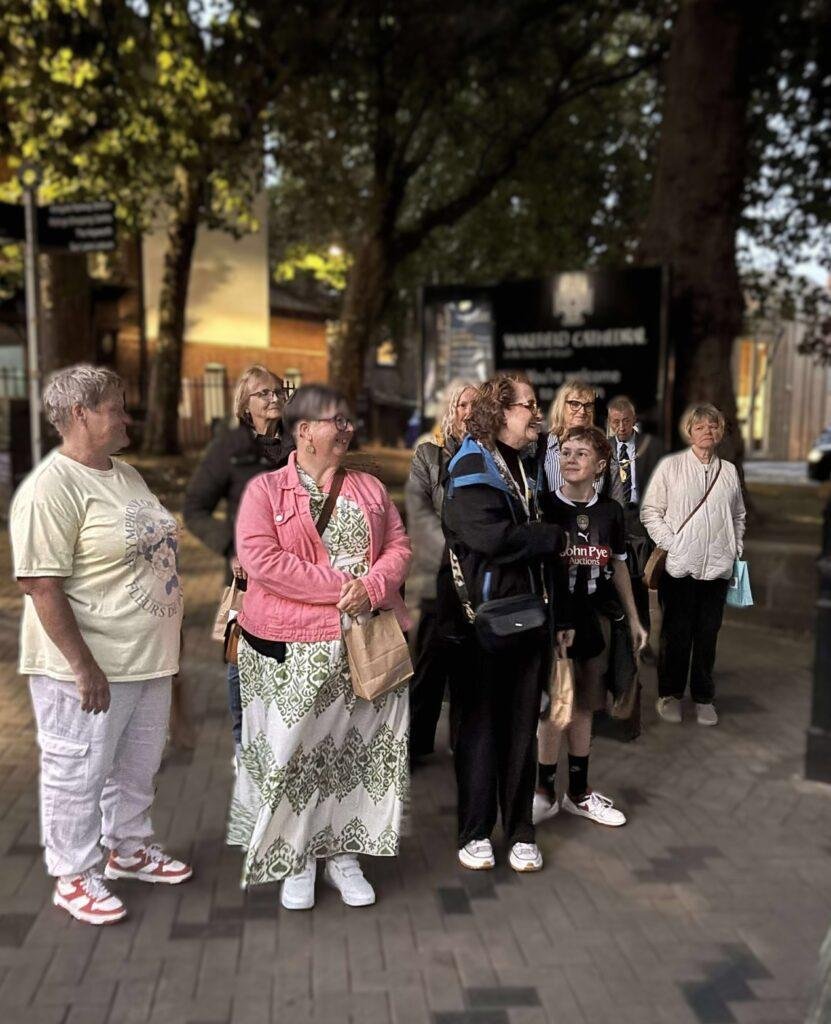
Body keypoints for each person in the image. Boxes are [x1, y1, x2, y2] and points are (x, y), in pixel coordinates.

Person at [10, 364, 191, 927]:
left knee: (136, 767)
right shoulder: (50, 489)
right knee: (78, 771)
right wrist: (82, 666)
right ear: (79, 415)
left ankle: (128, 848)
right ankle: (73, 874)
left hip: (144, 660)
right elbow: (42, 584)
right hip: (87, 668)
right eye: (116, 406)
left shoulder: (126, 475)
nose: (127, 416)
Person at [227, 385, 411, 910]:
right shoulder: (265, 492)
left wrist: (372, 588)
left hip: (367, 648)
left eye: (349, 421)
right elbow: (262, 560)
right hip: (293, 653)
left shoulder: (371, 488)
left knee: (358, 753)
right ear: (304, 430)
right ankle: (298, 856)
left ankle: (344, 853)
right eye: (338, 420)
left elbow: (399, 546)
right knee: (297, 755)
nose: (348, 429)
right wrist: (341, 589)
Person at [441, 373, 571, 874]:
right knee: (479, 731)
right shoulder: (471, 462)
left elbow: (514, 538)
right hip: (482, 625)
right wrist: (547, 536)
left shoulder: (518, 461)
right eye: (529, 406)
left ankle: (520, 830)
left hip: (527, 620)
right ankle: (476, 831)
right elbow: (491, 537)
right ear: (501, 412)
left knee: (521, 728)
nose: (537, 414)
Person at [535, 426, 648, 828]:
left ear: (600, 466)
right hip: (553, 621)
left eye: (581, 453)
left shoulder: (610, 512)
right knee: (553, 706)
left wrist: (633, 617)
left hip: (594, 619)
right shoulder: (546, 506)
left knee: (584, 704)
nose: (570, 459)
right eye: (565, 452)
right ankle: (543, 790)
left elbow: (618, 564)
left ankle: (578, 793)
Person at [184, 365, 293, 759]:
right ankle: (244, 753)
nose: (274, 398)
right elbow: (194, 508)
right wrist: (229, 547)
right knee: (242, 664)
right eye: (263, 393)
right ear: (244, 405)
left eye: (279, 391)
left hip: (298, 576)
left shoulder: (299, 442)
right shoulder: (228, 447)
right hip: (246, 579)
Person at [641, 403, 746, 727]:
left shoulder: (728, 471)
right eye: (700, 427)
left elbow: (738, 515)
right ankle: (670, 694)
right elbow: (650, 512)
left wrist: (735, 546)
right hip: (679, 568)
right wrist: (675, 545)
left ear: (721, 431)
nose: (707, 432)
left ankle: (703, 697)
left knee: (707, 635)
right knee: (676, 634)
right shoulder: (670, 467)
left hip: (716, 568)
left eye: (714, 427)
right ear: (689, 432)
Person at [405, 380, 477, 761]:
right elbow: (418, 512)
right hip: (440, 575)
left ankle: (463, 744)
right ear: (452, 409)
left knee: (470, 668)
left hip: (478, 579)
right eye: (463, 404)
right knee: (430, 665)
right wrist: (455, 554)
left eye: (475, 405)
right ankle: (416, 746)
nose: (469, 411)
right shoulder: (429, 456)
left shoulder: (489, 455)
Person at [606, 395, 665, 650]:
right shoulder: (604, 447)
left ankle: (646, 637)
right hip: (615, 520)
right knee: (618, 581)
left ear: (634, 421)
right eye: (616, 422)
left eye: (626, 421)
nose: (621, 427)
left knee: (641, 583)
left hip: (640, 522)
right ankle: (623, 635)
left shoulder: (651, 447)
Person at [535, 378, 598, 495]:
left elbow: (615, 502)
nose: (582, 411)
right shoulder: (540, 446)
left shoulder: (601, 447)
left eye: (587, 405)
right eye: (575, 404)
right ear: (561, 406)